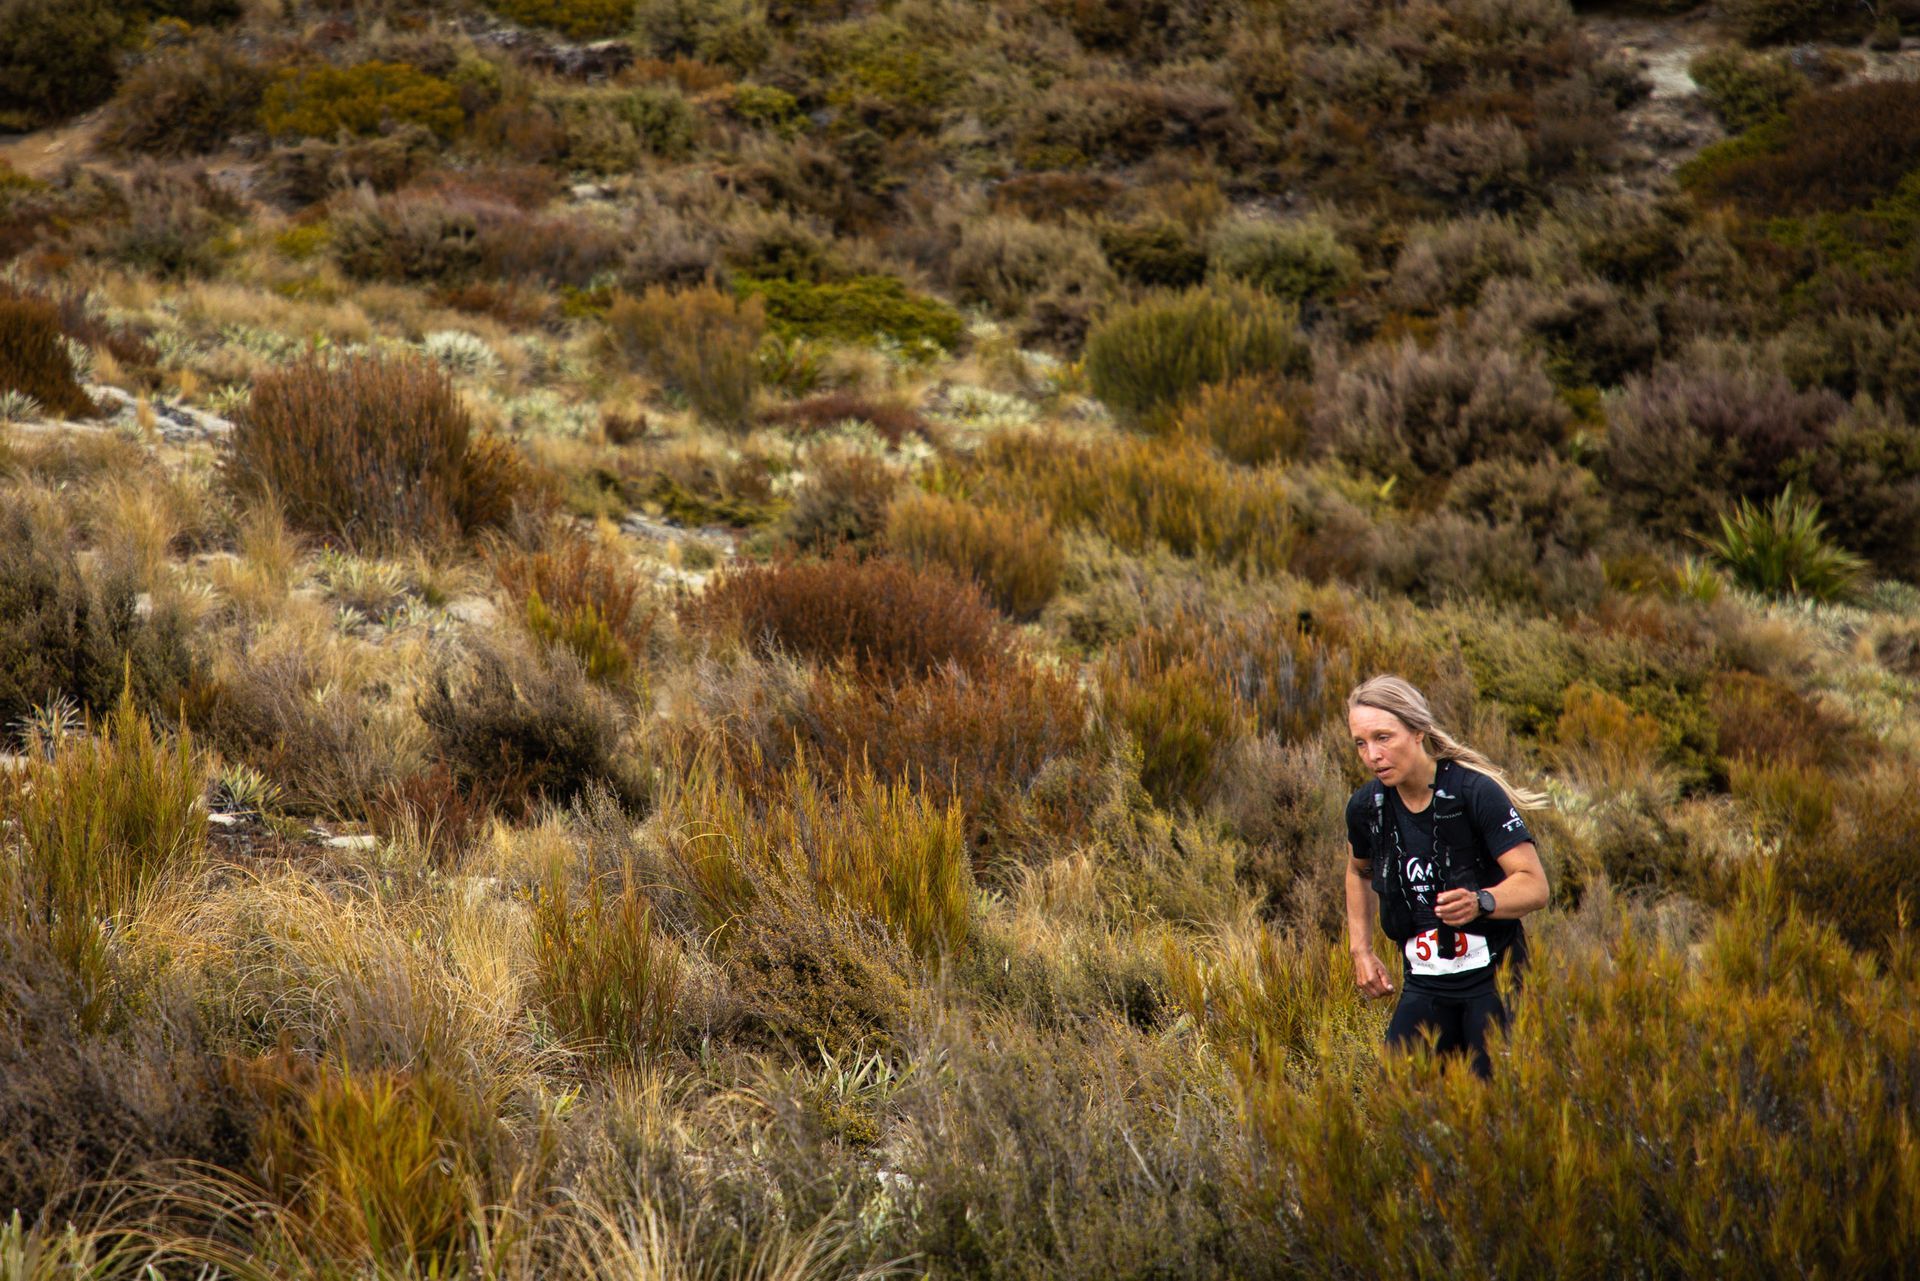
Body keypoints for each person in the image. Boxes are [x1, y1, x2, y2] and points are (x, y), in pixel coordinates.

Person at [1343, 675, 1550, 1079]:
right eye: (1361, 743)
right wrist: (1361, 950)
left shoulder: (1474, 793)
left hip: (1495, 979)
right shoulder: (1367, 807)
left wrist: (1481, 901)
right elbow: (1358, 871)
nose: (1372, 756)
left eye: (1384, 737)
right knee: (1401, 1104)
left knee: (1495, 1109)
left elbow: (1534, 884)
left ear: (1417, 730)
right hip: (1423, 983)